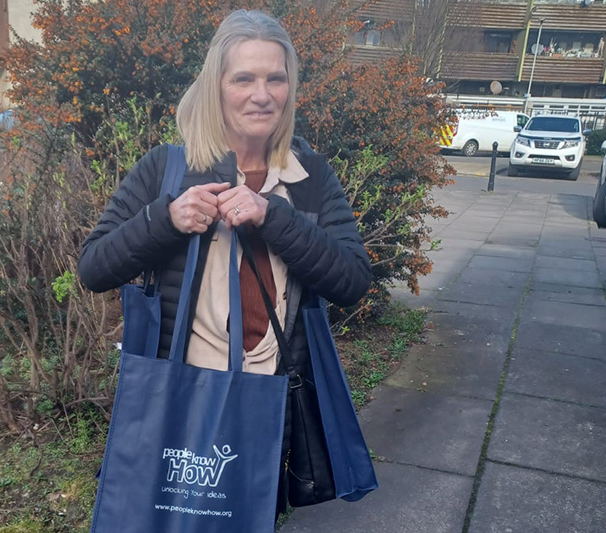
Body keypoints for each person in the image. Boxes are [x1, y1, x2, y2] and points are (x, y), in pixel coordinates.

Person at [78, 8, 371, 515]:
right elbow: (94, 268)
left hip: (267, 401)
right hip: (180, 394)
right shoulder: (166, 169)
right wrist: (165, 220)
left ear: (290, 87)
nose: (262, 95)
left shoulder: (311, 179)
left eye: (275, 78)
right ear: (217, 86)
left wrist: (273, 217)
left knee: (249, 520)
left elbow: (351, 280)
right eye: (244, 78)